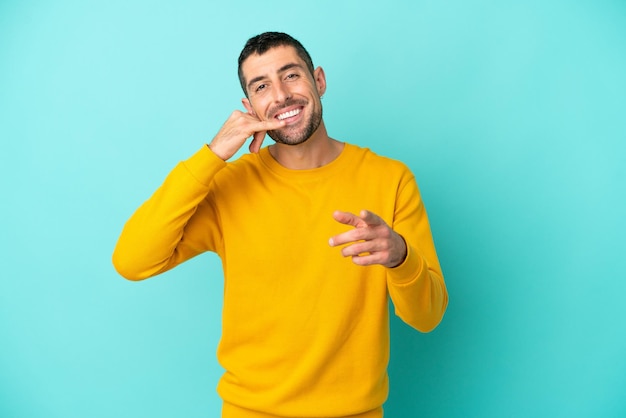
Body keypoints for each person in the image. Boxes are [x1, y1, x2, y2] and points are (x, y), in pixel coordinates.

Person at [113, 31, 448, 418]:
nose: (281, 95)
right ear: (249, 105)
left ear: (318, 80)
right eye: (261, 85)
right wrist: (212, 156)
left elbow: (428, 317)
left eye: (291, 75)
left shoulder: (390, 180)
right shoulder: (228, 185)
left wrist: (401, 256)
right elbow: (132, 260)